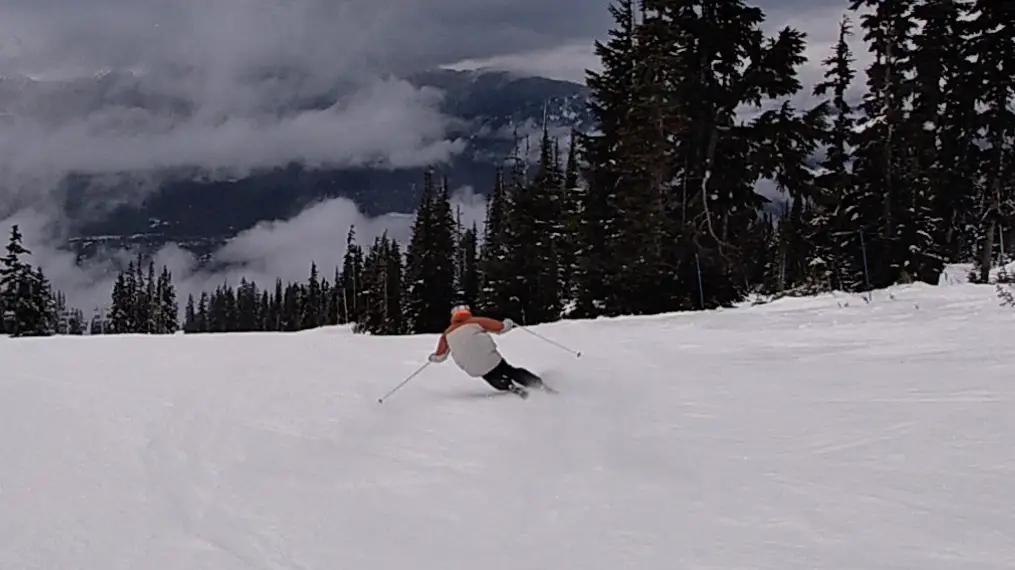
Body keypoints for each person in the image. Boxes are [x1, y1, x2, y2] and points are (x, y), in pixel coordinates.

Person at [428, 305, 544, 397]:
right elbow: (501, 327)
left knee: (488, 374)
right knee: (509, 370)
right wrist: (508, 322)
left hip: (472, 368)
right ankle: (537, 384)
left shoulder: (446, 334)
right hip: (491, 359)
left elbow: (440, 357)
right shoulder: (476, 321)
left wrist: (432, 357)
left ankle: (507, 386)